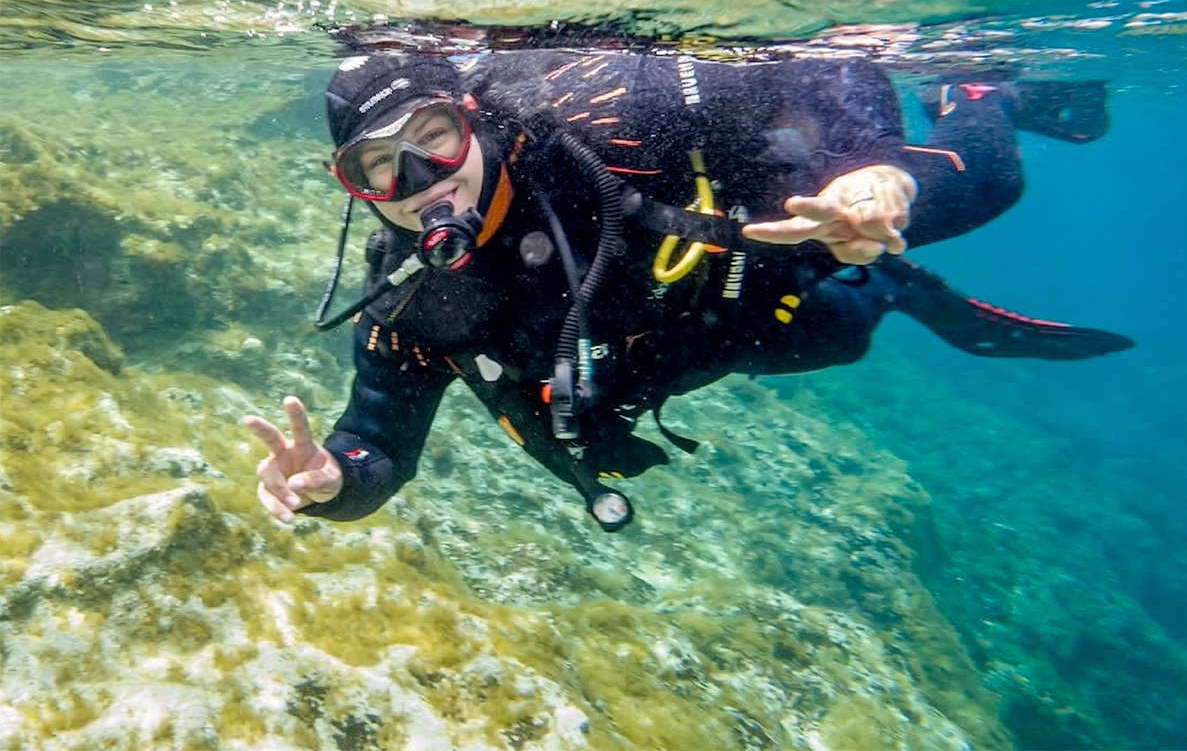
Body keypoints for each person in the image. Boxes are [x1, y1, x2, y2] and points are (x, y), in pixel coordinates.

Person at [245, 30, 1130, 531]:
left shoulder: (612, 112)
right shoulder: (411, 299)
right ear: (351, 187)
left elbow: (818, 59)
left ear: (472, 117)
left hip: (766, 238)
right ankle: (892, 287)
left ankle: (977, 96)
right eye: (377, 167)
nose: (420, 183)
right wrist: (334, 481)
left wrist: (868, 167)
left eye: (432, 139)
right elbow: (376, 438)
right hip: (686, 342)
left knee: (969, 194)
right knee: (834, 335)